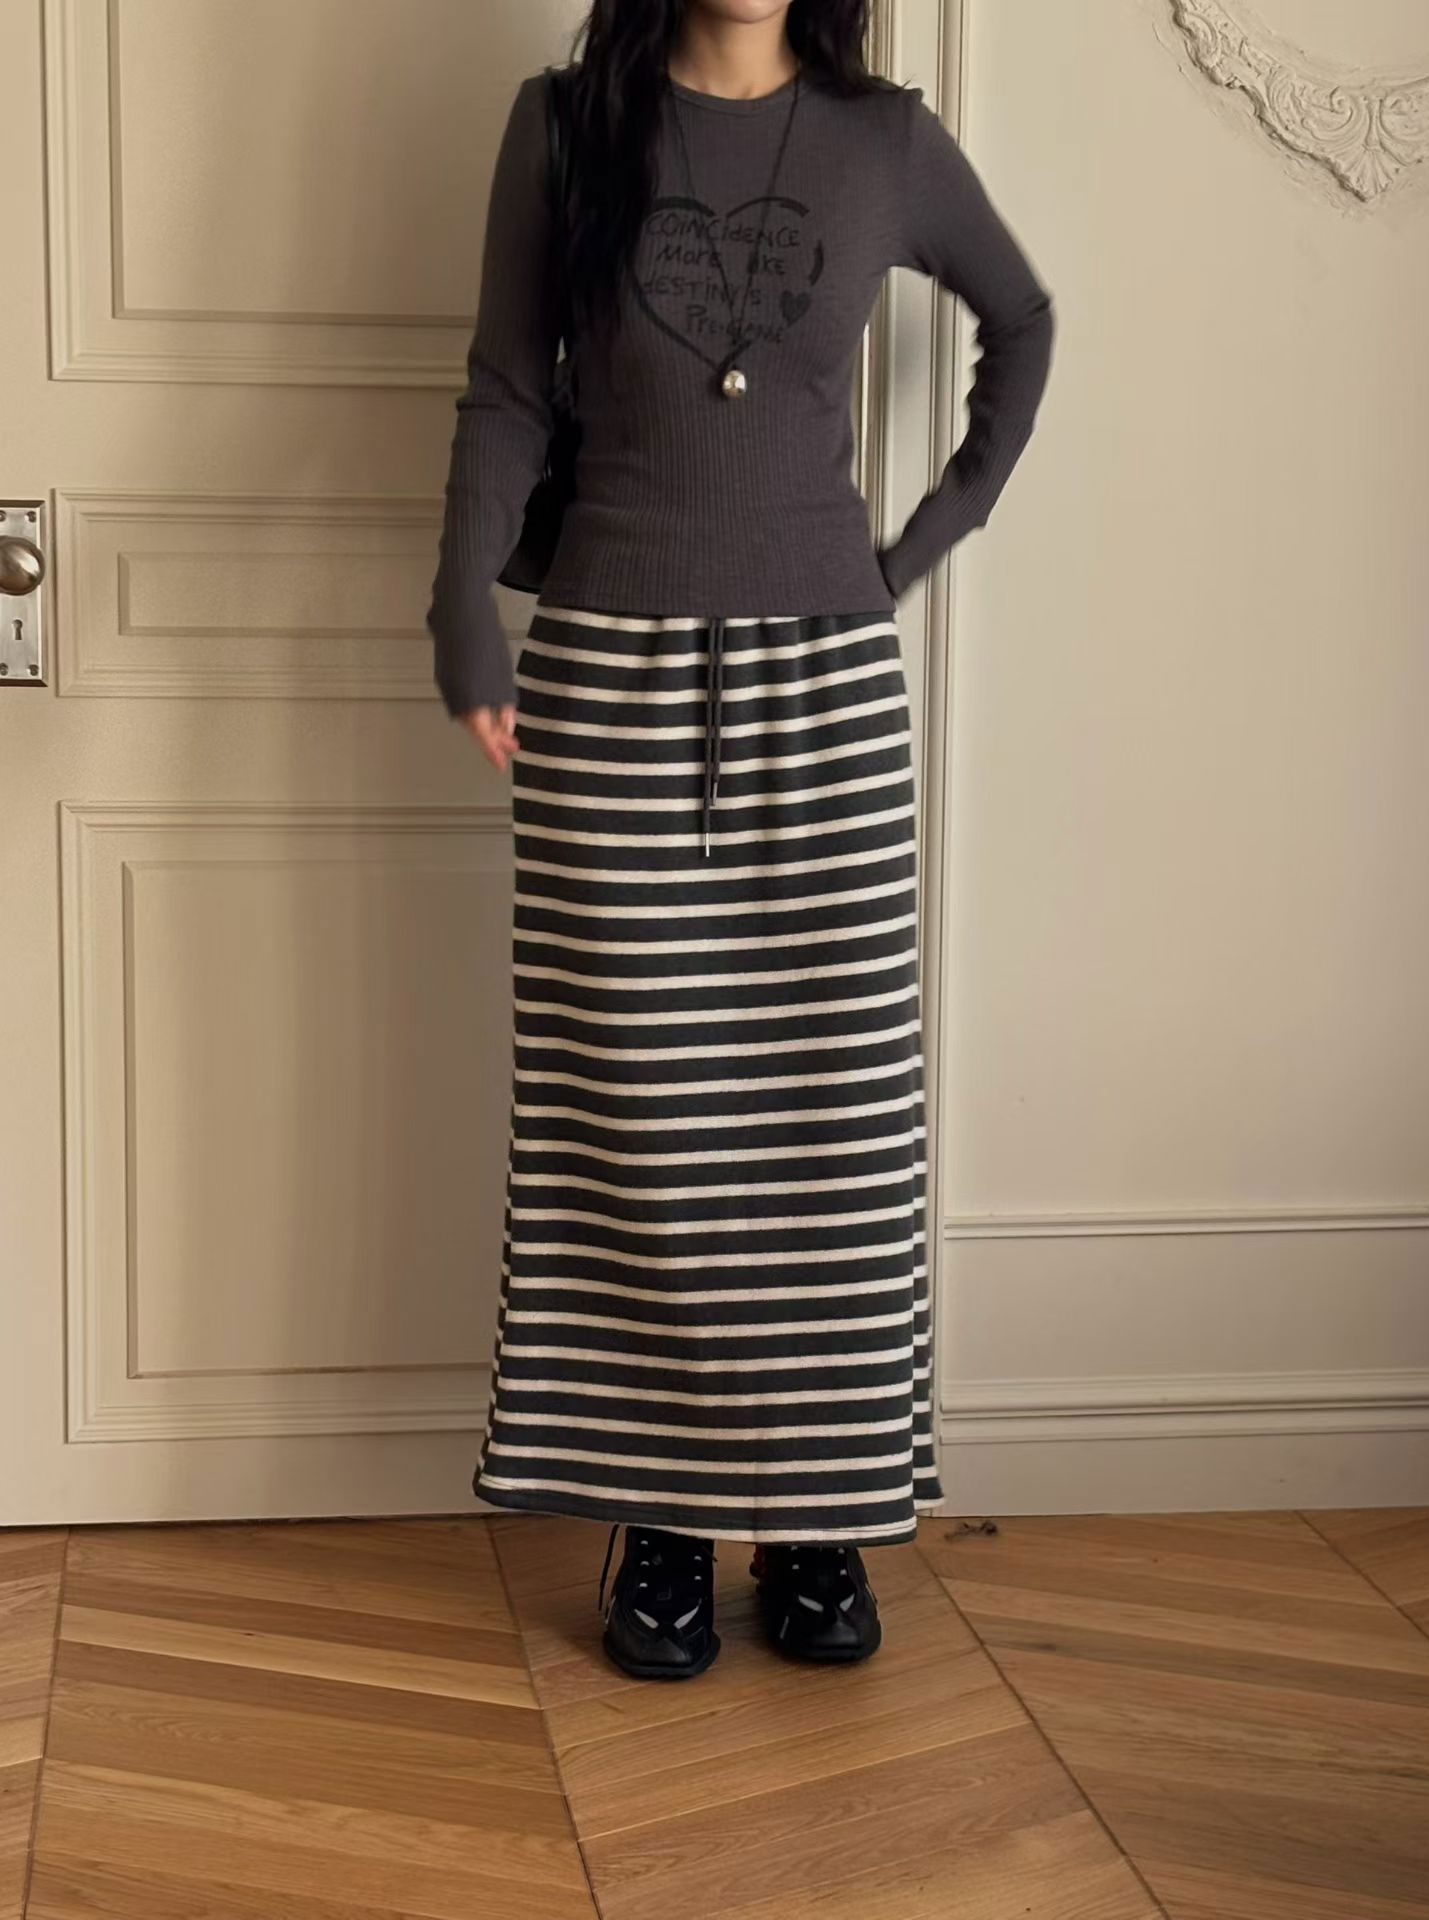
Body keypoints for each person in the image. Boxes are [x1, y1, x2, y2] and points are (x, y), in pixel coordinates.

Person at [427, 0, 1055, 1681]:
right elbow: (507, 388)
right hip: (605, 683)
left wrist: (917, 544)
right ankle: (657, 1508)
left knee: (830, 1123)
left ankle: (818, 1513)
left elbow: (1023, 319)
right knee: (631, 1116)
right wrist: (461, 609)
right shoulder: (564, 126)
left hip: (824, 689)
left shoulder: (883, 141)